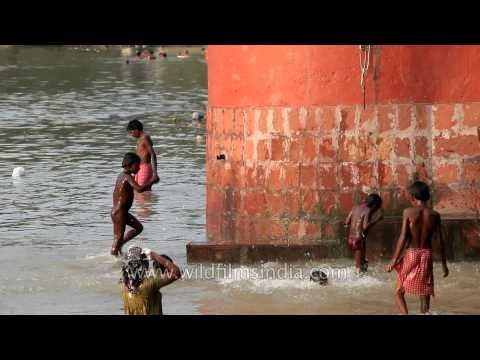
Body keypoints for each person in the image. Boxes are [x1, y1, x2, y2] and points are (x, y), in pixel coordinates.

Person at [386, 181, 449, 315]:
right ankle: (424, 313)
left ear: (413, 196)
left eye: (409, 195)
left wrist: (394, 259)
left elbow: (403, 236)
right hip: (427, 254)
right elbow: (440, 241)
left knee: (399, 291)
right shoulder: (435, 215)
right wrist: (444, 265)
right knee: (424, 289)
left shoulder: (408, 212)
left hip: (412, 253)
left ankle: (404, 314)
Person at [110, 153, 158, 256]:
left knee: (138, 228)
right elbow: (139, 189)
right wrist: (152, 181)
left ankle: (119, 246)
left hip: (120, 212)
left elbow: (115, 194)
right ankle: (113, 259)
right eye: (137, 165)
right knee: (118, 238)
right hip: (120, 213)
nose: (139, 168)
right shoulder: (127, 177)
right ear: (129, 165)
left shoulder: (122, 176)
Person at [120, 246, 181, 315]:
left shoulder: (122, 284)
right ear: (144, 265)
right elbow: (176, 273)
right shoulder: (149, 284)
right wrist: (154, 255)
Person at [345, 193, 384, 273]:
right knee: (358, 269)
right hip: (358, 240)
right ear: (374, 205)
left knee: (362, 265)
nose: (375, 211)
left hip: (350, 239)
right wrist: (377, 220)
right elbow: (365, 227)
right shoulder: (368, 210)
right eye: (377, 208)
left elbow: (347, 222)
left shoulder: (355, 207)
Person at [126, 119, 159, 191]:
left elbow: (153, 154)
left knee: (143, 193)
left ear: (136, 130)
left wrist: (155, 173)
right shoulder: (140, 139)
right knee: (138, 194)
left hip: (145, 168)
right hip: (138, 169)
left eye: (131, 132)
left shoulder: (145, 138)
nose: (131, 135)